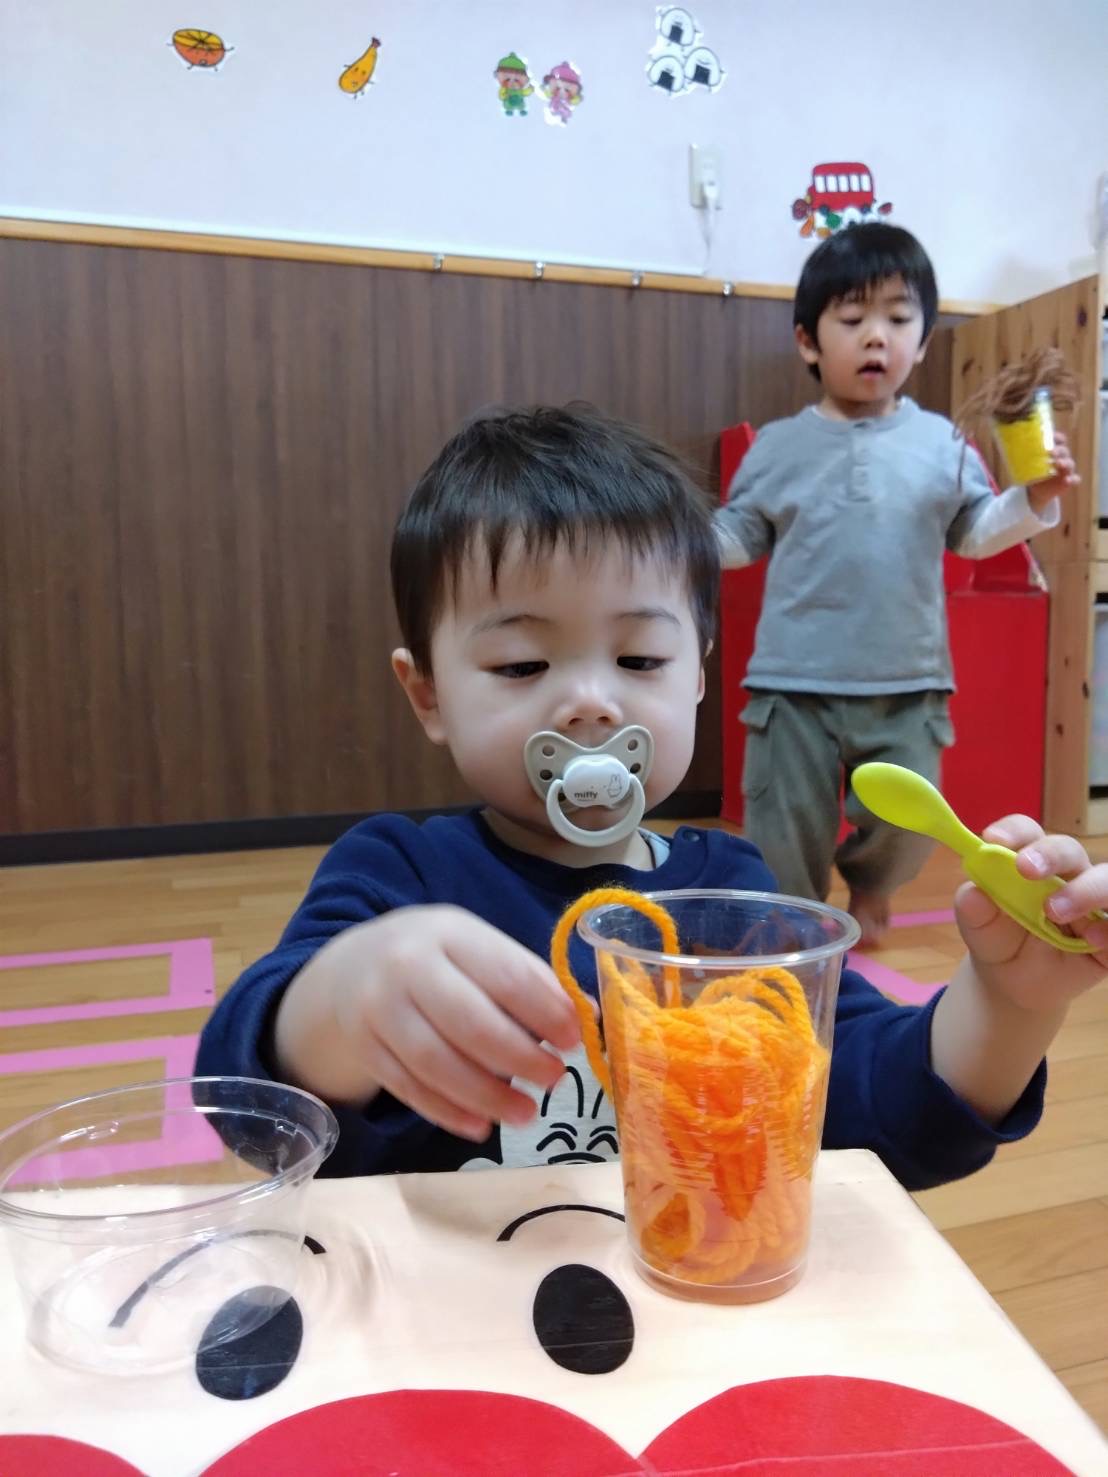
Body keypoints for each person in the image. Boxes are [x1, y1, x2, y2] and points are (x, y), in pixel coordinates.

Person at [196, 404, 1107, 1190]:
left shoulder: (732, 895)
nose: (592, 700)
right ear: (427, 692)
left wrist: (1010, 1002)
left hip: (680, 1297)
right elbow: (250, 1099)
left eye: (639, 658)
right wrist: (343, 998)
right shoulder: (398, 872)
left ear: (697, 678)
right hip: (450, 1315)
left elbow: (876, 1101)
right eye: (522, 664)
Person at [715, 223, 1080, 946]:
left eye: (898, 318)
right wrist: (669, 537)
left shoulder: (942, 442)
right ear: (809, 342)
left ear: (923, 341)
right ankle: (797, 919)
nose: (876, 337)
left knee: (908, 827)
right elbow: (739, 536)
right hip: (792, 682)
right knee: (783, 826)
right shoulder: (779, 447)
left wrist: (1032, 498)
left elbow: (974, 531)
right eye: (852, 319)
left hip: (908, 681)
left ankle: (872, 883)